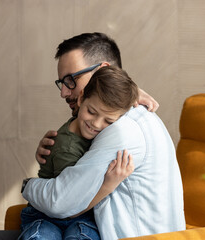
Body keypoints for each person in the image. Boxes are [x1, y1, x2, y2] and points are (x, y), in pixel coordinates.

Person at [0, 32, 185, 240]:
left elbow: (61, 201)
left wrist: (29, 186)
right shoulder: (124, 117)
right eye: (61, 83)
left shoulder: (122, 129)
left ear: (103, 70)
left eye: (71, 80)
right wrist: (56, 154)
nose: (64, 92)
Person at [18, 66, 139, 240]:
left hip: (81, 217)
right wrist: (108, 185)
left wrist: (137, 97)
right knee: (40, 236)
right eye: (91, 112)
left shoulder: (99, 131)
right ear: (81, 98)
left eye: (109, 121)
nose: (96, 124)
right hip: (49, 215)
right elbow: (67, 207)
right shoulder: (67, 147)